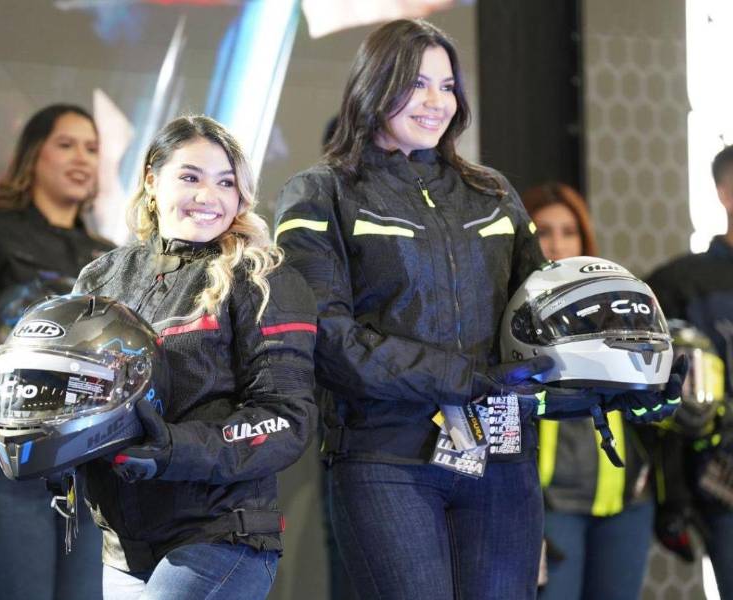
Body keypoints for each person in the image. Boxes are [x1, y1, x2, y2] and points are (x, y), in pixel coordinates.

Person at [274, 19, 684, 600]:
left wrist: (622, 387)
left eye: (447, 86)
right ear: (373, 82)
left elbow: (541, 345)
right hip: (385, 461)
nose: (435, 101)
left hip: (503, 463)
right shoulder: (319, 193)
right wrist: (468, 378)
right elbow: (331, 342)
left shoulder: (492, 192)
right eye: (417, 83)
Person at [72, 114, 318, 600]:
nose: (209, 197)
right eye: (190, 177)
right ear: (150, 180)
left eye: (226, 182)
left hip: (222, 536)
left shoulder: (263, 278)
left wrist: (171, 449)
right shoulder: (102, 277)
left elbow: (287, 418)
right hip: (121, 549)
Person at [0, 104, 110, 599]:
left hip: (84, 484)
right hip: (1, 476)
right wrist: (9, 398)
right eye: (66, 144)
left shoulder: (107, 256)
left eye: (92, 148)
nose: (82, 158)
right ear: (33, 154)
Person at [523, 183, 655, 600]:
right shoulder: (507, 311)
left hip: (626, 501)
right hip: (550, 503)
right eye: (545, 231)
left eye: (569, 231)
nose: (558, 244)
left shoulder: (621, 302)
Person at [647, 144, 733, 598]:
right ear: (724, 193)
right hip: (722, 484)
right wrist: (674, 495)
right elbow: (660, 403)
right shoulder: (678, 285)